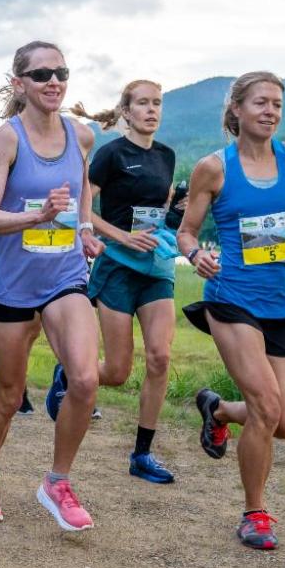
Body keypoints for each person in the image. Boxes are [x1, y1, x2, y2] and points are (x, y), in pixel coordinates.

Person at [0, 40, 104, 529]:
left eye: (61, 73)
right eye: (42, 74)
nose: (54, 82)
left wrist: (84, 228)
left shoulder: (81, 135)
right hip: (11, 284)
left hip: (64, 277)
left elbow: (83, 186)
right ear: (19, 83)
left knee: (85, 380)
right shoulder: (7, 138)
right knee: (9, 396)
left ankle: (58, 481)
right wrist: (37, 216)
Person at [178, 71, 285, 550]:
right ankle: (255, 513)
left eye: (277, 104)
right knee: (268, 407)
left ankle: (217, 410)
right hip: (231, 299)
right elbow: (187, 230)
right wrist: (195, 255)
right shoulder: (214, 168)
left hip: (283, 302)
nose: (270, 111)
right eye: (260, 103)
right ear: (237, 110)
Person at [64, 80, 179, 484]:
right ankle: (69, 377)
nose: (152, 110)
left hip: (156, 268)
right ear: (126, 111)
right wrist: (120, 236)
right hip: (116, 265)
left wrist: (173, 222)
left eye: (157, 104)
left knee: (160, 357)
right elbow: (85, 206)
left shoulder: (167, 155)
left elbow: (160, 209)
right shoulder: (111, 154)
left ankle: (142, 454)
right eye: (143, 103)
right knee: (115, 371)